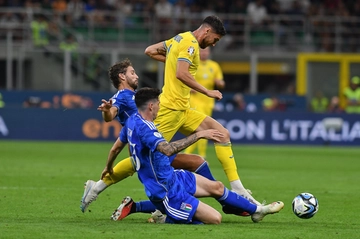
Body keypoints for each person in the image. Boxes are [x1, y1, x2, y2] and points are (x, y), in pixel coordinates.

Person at [107, 87, 284, 224]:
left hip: (172, 176)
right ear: (151, 106)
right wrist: (198, 135)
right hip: (165, 191)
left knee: (217, 187)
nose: (161, 107)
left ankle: (258, 211)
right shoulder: (145, 128)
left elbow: (116, 148)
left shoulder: (131, 121)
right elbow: (167, 150)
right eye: (159, 104)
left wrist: (109, 168)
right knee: (215, 219)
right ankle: (163, 216)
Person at [144, 15, 260, 205]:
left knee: (222, 134)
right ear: (206, 31)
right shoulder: (190, 44)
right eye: (215, 39)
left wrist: (172, 60)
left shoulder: (179, 38)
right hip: (170, 109)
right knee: (145, 156)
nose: (214, 44)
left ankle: (238, 187)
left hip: (184, 109)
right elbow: (181, 73)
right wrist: (207, 91)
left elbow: (149, 50)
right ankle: (101, 184)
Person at [81, 59, 215, 213]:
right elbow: (111, 114)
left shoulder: (135, 96)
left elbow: (117, 147)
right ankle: (221, 193)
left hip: (145, 145)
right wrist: (106, 111)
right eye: (132, 72)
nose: (136, 76)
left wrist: (109, 165)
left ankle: (154, 209)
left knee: (182, 171)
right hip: (146, 147)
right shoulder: (122, 96)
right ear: (122, 77)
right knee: (196, 163)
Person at [183, 47, 225, 159]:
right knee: (201, 128)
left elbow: (221, 83)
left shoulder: (214, 66)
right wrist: (189, 88)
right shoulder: (192, 64)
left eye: (206, 51)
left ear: (209, 53)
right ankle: (199, 155)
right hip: (195, 100)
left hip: (208, 102)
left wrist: (219, 83)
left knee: (204, 129)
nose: (204, 53)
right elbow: (184, 77)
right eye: (202, 51)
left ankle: (189, 154)